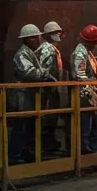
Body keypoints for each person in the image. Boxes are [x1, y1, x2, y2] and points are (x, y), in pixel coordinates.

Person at [8, 24, 52, 165]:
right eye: (34, 37)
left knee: (28, 128)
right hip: (22, 95)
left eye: (37, 36)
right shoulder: (22, 54)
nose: (38, 39)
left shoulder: (31, 52)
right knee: (20, 127)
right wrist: (45, 74)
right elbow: (28, 72)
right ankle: (14, 156)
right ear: (27, 39)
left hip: (29, 95)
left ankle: (26, 153)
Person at [70, 25, 97, 155]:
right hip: (85, 94)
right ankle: (85, 152)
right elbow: (79, 76)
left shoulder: (86, 52)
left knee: (96, 124)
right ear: (92, 42)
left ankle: (93, 150)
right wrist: (90, 94)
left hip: (89, 92)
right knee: (86, 125)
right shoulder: (80, 53)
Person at [36, 21, 66, 154]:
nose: (58, 35)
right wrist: (51, 84)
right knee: (48, 115)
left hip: (51, 88)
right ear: (48, 35)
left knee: (50, 115)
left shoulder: (49, 48)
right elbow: (44, 71)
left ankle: (48, 143)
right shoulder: (47, 49)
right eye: (55, 33)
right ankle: (46, 144)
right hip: (48, 89)